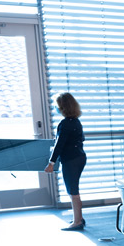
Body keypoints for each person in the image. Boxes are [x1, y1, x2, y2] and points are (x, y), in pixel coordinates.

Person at [45, 93, 87, 231]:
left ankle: (77, 222)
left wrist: (51, 163)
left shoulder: (65, 124)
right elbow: (81, 139)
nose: (56, 108)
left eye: (58, 106)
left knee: (72, 190)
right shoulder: (76, 121)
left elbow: (59, 144)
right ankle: (78, 217)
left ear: (63, 107)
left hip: (71, 160)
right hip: (79, 157)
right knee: (74, 189)